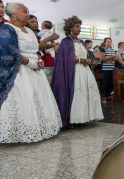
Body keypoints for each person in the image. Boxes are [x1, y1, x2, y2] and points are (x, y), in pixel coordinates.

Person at [0, 3, 61, 143]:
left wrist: (39, 60)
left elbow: (36, 50)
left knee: (38, 99)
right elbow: (10, 51)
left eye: (28, 11)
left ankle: (39, 128)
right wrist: (31, 63)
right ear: (14, 14)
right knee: (23, 99)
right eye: (24, 11)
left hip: (36, 71)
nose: (28, 14)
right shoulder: (7, 29)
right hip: (19, 72)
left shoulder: (29, 30)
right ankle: (19, 131)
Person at [51, 16, 103, 128]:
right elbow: (64, 59)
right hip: (74, 71)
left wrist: (88, 60)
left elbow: (85, 55)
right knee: (77, 93)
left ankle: (85, 117)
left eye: (80, 26)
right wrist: (80, 60)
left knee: (88, 92)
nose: (79, 28)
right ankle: (73, 119)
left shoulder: (82, 42)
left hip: (85, 71)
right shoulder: (65, 42)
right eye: (77, 26)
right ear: (70, 28)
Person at [99, 38, 122, 103]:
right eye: (107, 41)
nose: (109, 43)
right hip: (105, 68)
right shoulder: (102, 49)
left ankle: (108, 96)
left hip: (112, 69)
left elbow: (115, 59)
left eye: (110, 41)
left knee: (111, 83)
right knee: (105, 82)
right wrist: (112, 57)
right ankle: (103, 96)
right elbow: (102, 58)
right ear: (105, 42)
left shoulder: (112, 50)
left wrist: (116, 58)